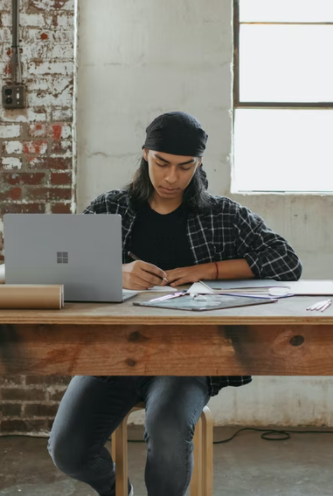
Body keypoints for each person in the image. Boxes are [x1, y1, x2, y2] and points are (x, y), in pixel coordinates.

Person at [48, 111, 302, 496]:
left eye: (185, 167)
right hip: (112, 352)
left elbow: (287, 262)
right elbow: (57, 264)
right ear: (145, 154)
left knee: (167, 432)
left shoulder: (222, 215)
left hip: (185, 356)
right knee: (67, 449)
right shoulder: (110, 209)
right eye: (162, 163)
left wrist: (209, 270)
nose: (171, 178)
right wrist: (116, 272)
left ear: (198, 164)